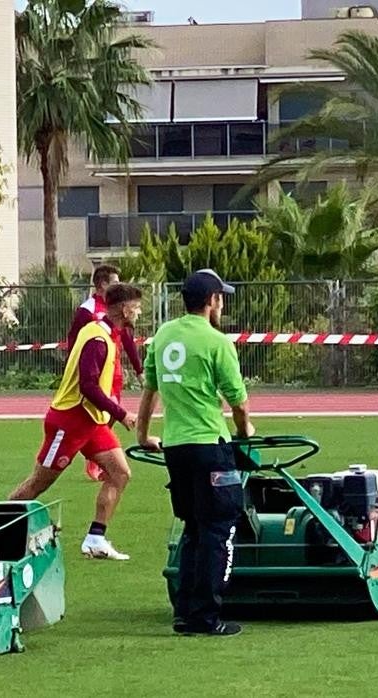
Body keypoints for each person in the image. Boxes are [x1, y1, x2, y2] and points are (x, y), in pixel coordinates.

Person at [136, 269, 253, 637]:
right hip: (208, 444)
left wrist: (142, 435)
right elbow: (238, 400)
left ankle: (184, 612)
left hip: (176, 446)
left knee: (192, 529)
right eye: (221, 298)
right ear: (212, 300)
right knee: (218, 529)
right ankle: (207, 616)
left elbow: (149, 391)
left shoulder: (163, 336)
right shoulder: (216, 342)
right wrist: (243, 431)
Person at [10, 284, 146, 561]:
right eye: (137, 306)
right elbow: (88, 387)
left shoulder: (108, 332)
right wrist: (121, 414)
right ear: (124, 308)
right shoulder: (97, 337)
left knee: (120, 473)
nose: (140, 311)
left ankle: (95, 539)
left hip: (92, 421)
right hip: (69, 421)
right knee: (38, 484)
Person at [67, 264, 144, 483]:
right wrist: (74, 367)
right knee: (103, 412)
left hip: (114, 370)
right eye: (114, 281)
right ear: (102, 284)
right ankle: (94, 458)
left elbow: (127, 339)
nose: (118, 285)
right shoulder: (88, 310)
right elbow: (75, 339)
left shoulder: (118, 314)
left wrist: (138, 369)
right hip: (95, 372)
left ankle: (97, 457)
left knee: (107, 414)